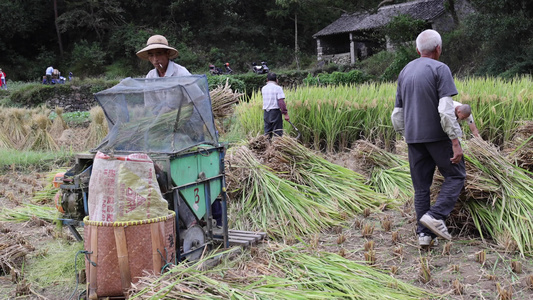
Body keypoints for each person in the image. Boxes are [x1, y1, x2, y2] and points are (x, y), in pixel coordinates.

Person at [391, 29, 466, 247]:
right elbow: (445, 110)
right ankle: (436, 215)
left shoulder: (405, 71)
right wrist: (455, 140)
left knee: (421, 187)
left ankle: (424, 235)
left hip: (413, 139)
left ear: (417, 50)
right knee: (456, 175)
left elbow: (397, 114)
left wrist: (408, 135)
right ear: (438, 49)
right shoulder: (440, 69)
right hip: (437, 136)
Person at [261, 72, 289, 138]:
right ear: (276, 79)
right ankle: (276, 147)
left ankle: (268, 147)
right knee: (277, 133)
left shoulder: (263, 88)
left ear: (267, 80)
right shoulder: (278, 88)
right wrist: (285, 114)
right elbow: (281, 102)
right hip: (275, 112)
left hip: (266, 113)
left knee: (267, 133)